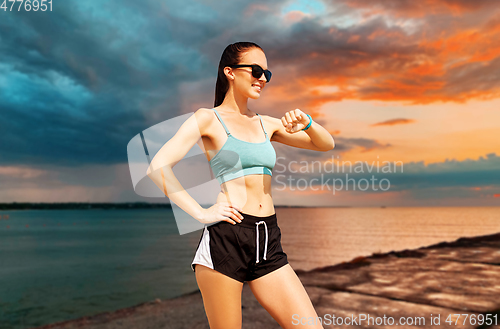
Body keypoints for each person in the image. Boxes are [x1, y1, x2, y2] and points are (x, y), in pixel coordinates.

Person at [147, 42, 334, 329]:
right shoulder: (207, 119)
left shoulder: (266, 124)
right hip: (226, 240)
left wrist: (307, 122)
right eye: (256, 70)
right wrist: (201, 213)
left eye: (267, 74)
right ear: (230, 72)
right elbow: (157, 167)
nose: (263, 79)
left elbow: (324, 144)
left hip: (268, 239)